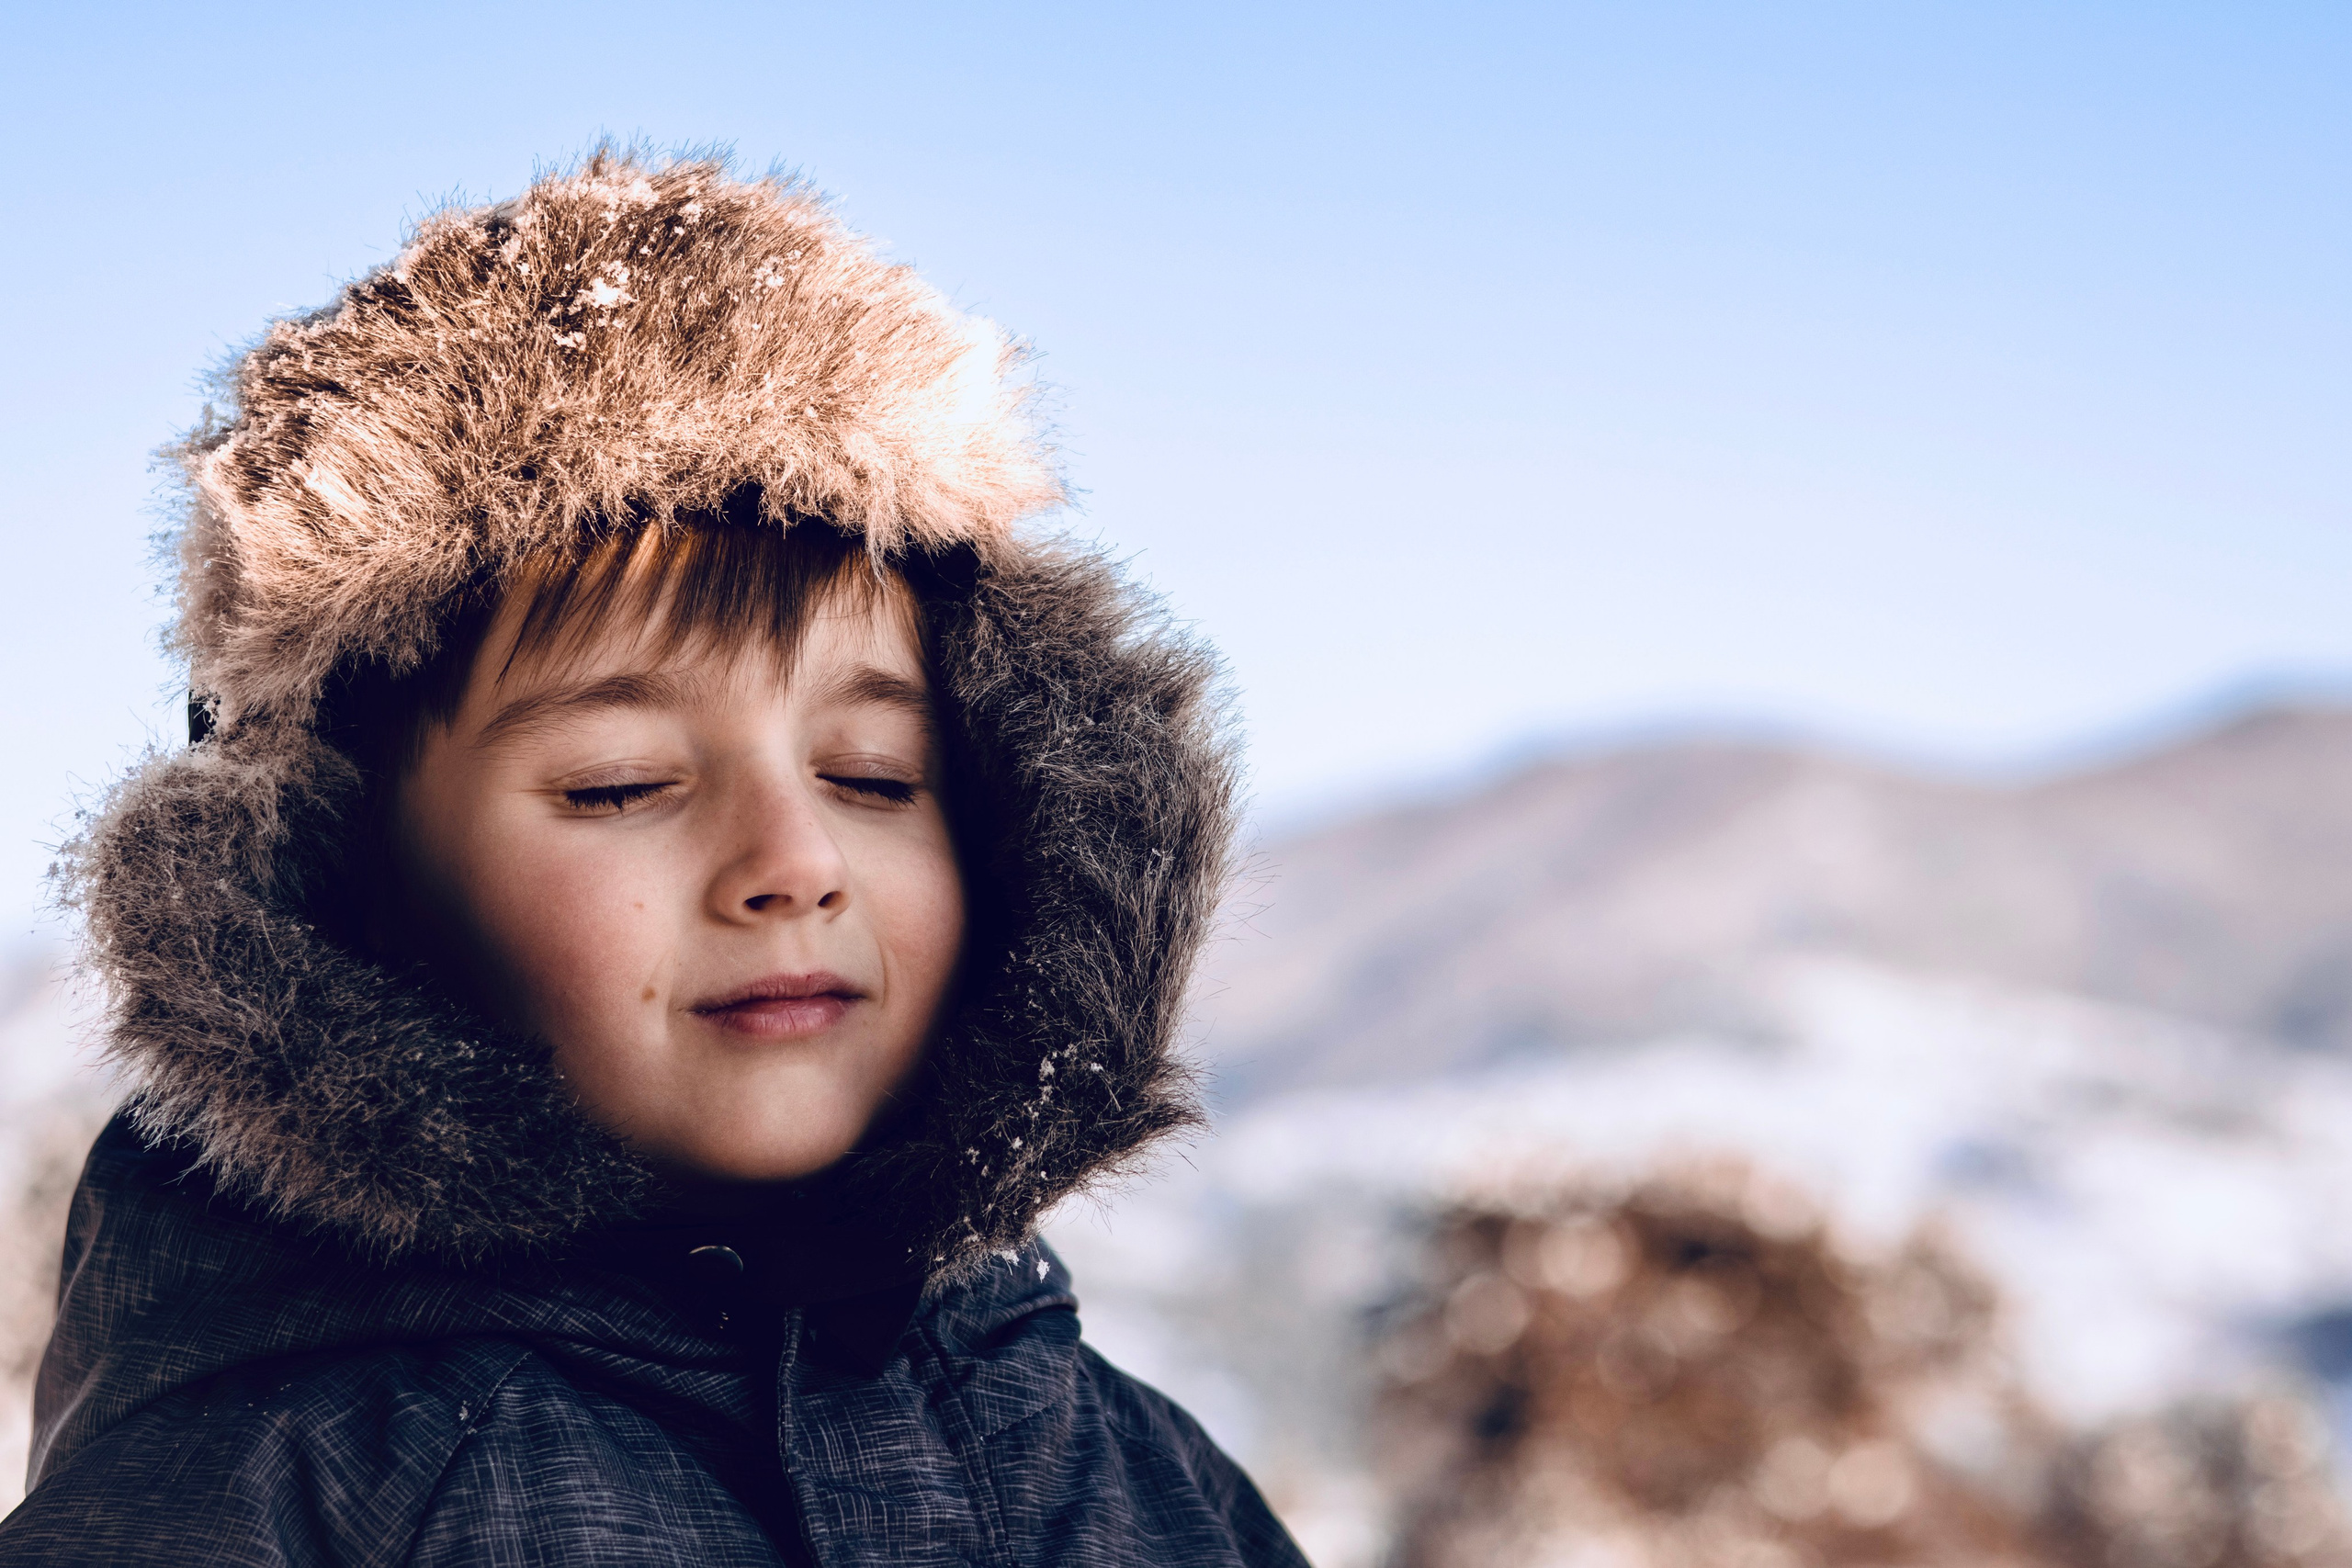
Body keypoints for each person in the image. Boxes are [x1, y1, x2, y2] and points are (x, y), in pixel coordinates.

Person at [0, 149, 1306, 1568]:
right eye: (622, 787)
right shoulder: (279, 1498)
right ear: (343, 890)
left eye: (875, 777)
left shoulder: (1142, 1484)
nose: (793, 861)